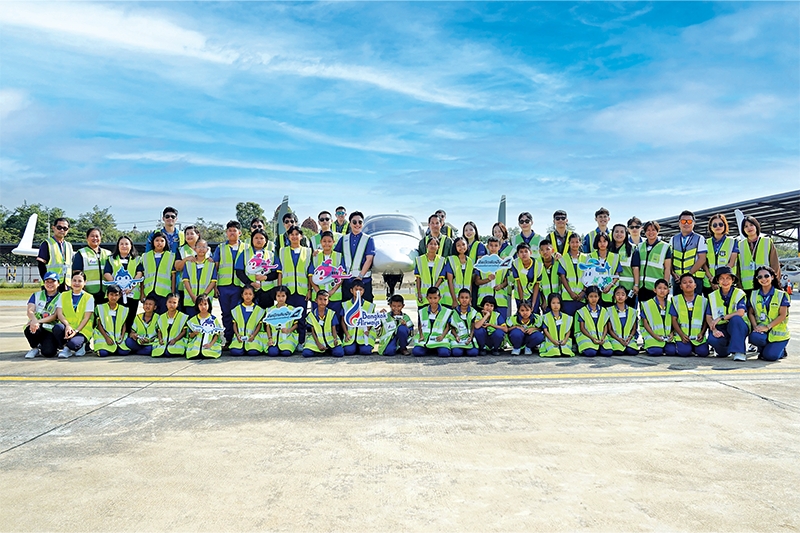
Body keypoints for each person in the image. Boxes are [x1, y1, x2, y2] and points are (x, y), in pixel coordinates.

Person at [214, 220, 248, 348]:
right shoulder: (220, 248)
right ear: (226, 232)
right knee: (226, 313)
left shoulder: (246, 248)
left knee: (238, 313)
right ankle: (228, 338)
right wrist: (215, 286)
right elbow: (215, 267)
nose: (232, 233)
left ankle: (238, 338)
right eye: (230, 230)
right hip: (224, 286)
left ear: (239, 233)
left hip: (240, 286)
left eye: (235, 230)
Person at [277, 225, 311, 344]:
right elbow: (280, 272)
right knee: (288, 317)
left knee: (301, 318)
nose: (294, 236)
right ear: (288, 236)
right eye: (292, 234)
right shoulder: (282, 251)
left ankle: (301, 341)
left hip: (302, 291)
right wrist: (279, 290)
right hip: (287, 292)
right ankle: (288, 341)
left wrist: (309, 290)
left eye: (297, 234)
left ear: (301, 236)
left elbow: (309, 273)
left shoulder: (308, 251)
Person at [706, 266, 749, 361]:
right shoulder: (712, 296)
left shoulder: (739, 293)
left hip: (738, 326)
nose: (725, 281)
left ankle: (740, 352)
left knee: (736, 319)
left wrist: (721, 318)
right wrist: (714, 330)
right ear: (717, 281)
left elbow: (740, 312)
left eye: (728, 278)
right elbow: (708, 317)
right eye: (721, 278)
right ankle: (725, 350)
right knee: (713, 341)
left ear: (733, 280)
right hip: (721, 328)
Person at [747, 266, 790, 361]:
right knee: (754, 336)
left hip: (778, 335)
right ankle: (765, 348)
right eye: (760, 277)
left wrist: (767, 327)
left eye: (766, 276)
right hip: (762, 331)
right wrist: (755, 327)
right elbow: (751, 313)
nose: (763, 279)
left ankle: (781, 350)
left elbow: (782, 315)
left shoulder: (781, 295)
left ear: (772, 277)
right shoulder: (753, 295)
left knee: (769, 357)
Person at [103, 235, 143, 331]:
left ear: (131, 246)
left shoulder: (137, 259)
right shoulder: (111, 259)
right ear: (118, 246)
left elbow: (139, 274)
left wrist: (130, 287)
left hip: (132, 294)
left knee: (130, 318)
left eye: (126, 244)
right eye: (121, 244)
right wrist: (118, 287)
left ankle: (126, 339)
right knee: (115, 318)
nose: (124, 246)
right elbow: (107, 273)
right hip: (116, 295)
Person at [335, 211, 376, 302]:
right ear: (350, 224)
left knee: (366, 309)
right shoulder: (343, 239)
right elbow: (334, 255)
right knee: (347, 309)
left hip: (364, 281)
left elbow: (369, 260)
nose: (357, 224)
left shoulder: (369, 239)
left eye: (360, 222)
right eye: (354, 222)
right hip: (347, 281)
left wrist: (360, 277)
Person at [737, 215, 781, 299]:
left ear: (756, 226)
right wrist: (739, 285)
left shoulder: (767, 242)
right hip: (747, 287)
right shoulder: (739, 245)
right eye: (746, 226)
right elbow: (738, 267)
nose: (749, 228)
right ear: (743, 229)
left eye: (751, 225)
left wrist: (775, 282)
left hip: (765, 285)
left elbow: (775, 264)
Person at [53, 271, 94, 358]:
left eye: (80, 281)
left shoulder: (89, 297)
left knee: (74, 344)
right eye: (74, 280)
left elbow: (86, 318)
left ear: (85, 283)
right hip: (68, 327)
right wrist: (67, 325)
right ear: (70, 281)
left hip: (82, 329)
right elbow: (59, 314)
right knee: (57, 328)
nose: (76, 283)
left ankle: (80, 345)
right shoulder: (63, 295)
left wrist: (76, 331)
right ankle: (65, 348)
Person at [669, 274, 709, 357]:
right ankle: (687, 347)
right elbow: (674, 320)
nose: (688, 284)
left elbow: (706, 319)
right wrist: (681, 335)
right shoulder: (676, 300)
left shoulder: (703, 301)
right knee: (684, 352)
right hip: (682, 336)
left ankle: (694, 348)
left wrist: (702, 333)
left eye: (690, 282)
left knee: (703, 352)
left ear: (695, 285)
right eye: (684, 282)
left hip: (697, 337)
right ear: (680, 286)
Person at [24, 271, 61, 358]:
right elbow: (30, 310)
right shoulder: (36, 295)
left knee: (48, 353)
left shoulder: (61, 297)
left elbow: (55, 315)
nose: (50, 284)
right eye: (47, 281)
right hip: (37, 327)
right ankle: (34, 348)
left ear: (58, 283)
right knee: (30, 329)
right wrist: (33, 320)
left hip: (50, 329)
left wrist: (37, 321)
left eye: (53, 281)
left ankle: (53, 345)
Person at [308, 230, 346, 317]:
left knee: (334, 320)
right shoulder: (315, 257)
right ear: (320, 242)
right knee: (317, 319)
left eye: (329, 241)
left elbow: (342, 275)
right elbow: (310, 275)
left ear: (333, 242)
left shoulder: (339, 256)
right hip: (318, 296)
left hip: (334, 296)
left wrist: (333, 291)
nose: (327, 244)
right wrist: (318, 291)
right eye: (324, 241)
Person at [235, 229, 276, 309]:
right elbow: (239, 272)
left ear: (266, 241)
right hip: (249, 292)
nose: (259, 240)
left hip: (266, 291)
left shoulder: (271, 255)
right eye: (256, 238)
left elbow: (276, 273)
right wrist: (250, 283)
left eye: (261, 238)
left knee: (266, 315)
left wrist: (265, 277)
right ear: (252, 240)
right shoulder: (244, 253)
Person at [670, 210, 707, 296]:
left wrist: (688, 275)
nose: (686, 224)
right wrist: (673, 274)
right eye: (683, 221)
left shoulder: (700, 238)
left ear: (694, 223)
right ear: (679, 223)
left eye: (689, 221)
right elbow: (670, 259)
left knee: (695, 305)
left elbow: (702, 259)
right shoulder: (673, 239)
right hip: (677, 280)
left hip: (694, 279)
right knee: (678, 305)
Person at [72, 227, 112, 305]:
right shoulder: (81, 253)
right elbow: (76, 273)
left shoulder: (108, 254)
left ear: (100, 238)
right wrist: (82, 290)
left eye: (97, 236)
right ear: (87, 238)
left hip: (106, 293)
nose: (95, 238)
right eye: (92, 236)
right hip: (88, 292)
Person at [702, 214, 739, 297]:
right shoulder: (705, 242)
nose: (718, 226)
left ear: (725, 226)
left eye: (720, 224)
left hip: (726, 283)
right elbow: (704, 263)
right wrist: (712, 279)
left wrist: (720, 280)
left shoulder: (733, 241)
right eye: (714, 225)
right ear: (710, 227)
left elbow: (732, 262)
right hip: (709, 282)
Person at [140, 232, 176, 314]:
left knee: (163, 316)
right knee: (150, 316)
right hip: (149, 292)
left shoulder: (171, 256)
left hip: (164, 293)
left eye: (162, 241)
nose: (159, 243)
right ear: (152, 242)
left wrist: (172, 294)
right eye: (157, 240)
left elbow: (173, 276)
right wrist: (142, 293)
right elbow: (142, 276)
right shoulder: (145, 256)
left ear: (166, 242)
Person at [474, 237, 510, 321]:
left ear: (499, 247)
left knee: (500, 327)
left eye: (496, 245)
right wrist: (488, 279)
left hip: (500, 301)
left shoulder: (504, 262)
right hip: (484, 301)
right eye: (491, 245)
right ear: (487, 247)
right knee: (484, 326)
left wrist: (501, 286)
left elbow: (507, 281)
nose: (493, 248)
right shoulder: (482, 262)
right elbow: (476, 281)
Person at [637, 220, 673, 302]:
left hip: (657, 288)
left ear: (657, 231)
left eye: (653, 230)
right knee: (643, 312)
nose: (651, 232)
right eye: (648, 230)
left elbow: (667, 268)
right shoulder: (639, 247)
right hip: (642, 287)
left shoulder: (665, 247)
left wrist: (665, 286)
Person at [640, 279, 676, 356]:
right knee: (656, 352)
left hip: (666, 338)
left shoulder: (670, 305)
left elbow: (674, 322)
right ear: (654, 290)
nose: (662, 290)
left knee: (671, 352)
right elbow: (645, 323)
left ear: (668, 291)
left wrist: (672, 333)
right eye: (659, 288)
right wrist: (654, 336)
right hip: (652, 336)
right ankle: (649, 347)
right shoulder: (648, 304)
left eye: (665, 288)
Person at [182, 240, 217, 318]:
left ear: (207, 249)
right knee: (191, 324)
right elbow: (185, 280)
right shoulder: (188, 263)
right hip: (190, 301)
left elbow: (213, 281)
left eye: (204, 247)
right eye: (199, 247)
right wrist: (192, 296)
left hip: (206, 302)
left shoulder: (211, 264)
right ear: (194, 249)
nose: (201, 249)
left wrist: (204, 295)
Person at [412, 287, 453, 357]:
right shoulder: (422, 311)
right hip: (425, 339)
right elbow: (420, 325)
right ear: (427, 298)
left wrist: (442, 336)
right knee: (416, 352)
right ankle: (430, 348)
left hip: (439, 339)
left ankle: (434, 349)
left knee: (444, 353)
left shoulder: (446, 311)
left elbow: (448, 327)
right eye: (430, 298)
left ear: (439, 298)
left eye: (435, 298)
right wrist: (421, 335)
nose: (433, 300)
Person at [303, 290, 344, 357]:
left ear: (328, 301)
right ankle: (322, 350)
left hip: (330, 340)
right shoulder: (311, 315)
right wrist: (318, 344)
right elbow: (312, 332)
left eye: (325, 300)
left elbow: (333, 329)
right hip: (317, 340)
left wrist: (335, 338)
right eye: (320, 299)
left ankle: (326, 350)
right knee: (306, 353)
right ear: (316, 300)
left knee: (339, 353)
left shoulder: (331, 313)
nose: (322, 302)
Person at [36, 217, 73, 291]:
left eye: (65, 228)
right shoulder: (47, 244)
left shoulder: (69, 245)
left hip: (66, 285)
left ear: (68, 230)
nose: (62, 230)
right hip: (51, 285)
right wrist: (47, 282)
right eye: (59, 227)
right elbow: (41, 265)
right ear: (53, 228)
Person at [92, 285, 130, 357]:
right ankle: (109, 349)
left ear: (120, 296)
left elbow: (123, 324)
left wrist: (122, 336)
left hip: (118, 338)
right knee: (102, 353)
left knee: (124, 352)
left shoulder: (123, 309)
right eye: (111, 295)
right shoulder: (100, 307)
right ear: (107, 295)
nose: (114, 297)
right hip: (104, 337)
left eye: (116, 295)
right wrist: (106, 338)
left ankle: (113, 349)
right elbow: (99, 325)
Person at [342, 280, 377, 355]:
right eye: (356, 290)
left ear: (363, 291)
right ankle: (355, 347)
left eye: (360, 290)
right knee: (348, 351)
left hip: (364, 335)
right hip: (351, 336)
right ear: (351, 291)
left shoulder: (369, 305)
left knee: (366, 351)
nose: (358, 292)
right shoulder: (346, 304)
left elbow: (371, 319)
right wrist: (346, 333)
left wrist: (368, 328)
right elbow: (343, 320)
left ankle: (360, 347)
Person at [576, 286, 612, 356]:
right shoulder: (582, 310)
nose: (593, 299)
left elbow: (605, 326)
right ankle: (594, 349)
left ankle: (598, 348)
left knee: (608, 352)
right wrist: (592, 338)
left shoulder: (603, 310)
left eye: (595, 296)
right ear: (587, 297)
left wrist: (603, 337)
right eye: (591, 296)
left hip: (601, 337)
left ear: (599, 297)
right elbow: (582, 328)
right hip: (587, 337)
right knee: (591, 353)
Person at [610, 224, 640, 308]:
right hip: (610, 288)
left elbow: (635, 268)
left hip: (628, 288)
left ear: (626, 234)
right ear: (612, 234)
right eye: (616, 232)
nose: (619, 234)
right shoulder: (608, 249)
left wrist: (636, 285)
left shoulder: (633, 249)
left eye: (621, 232)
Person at [230, 285, 266, 356]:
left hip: (253, 337)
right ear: (242, 295)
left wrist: (253, 335)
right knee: (235, 352)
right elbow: (235, 324)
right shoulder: (236, 309)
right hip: (239, 337)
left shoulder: (259, 309)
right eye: (245, 294)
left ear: (253, 295)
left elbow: (259, 324)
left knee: (253, 352)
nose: (248, 296)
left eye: (250, 294)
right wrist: (237, 335)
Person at [266, 286, 300, 357]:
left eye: (283, 296)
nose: (281, 298)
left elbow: (296, 324)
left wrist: (289, 330)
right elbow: (268, 326)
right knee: (272, 353)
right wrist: (270, 339)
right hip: (274, 339)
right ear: (275, 296)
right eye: (278, 296)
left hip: (288, 337)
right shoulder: (270, 310)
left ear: (286, 296)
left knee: (286, 353)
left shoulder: (292, 309)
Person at [414, 236, 448, 308]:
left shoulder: (442, 260)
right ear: (427, 246)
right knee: (423, 315)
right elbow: (418, 278)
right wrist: (419, 292)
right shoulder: (420, 259)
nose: (432, 246)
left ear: (438, 247)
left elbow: (441, 278)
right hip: (423, 295)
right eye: (431, 244)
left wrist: (433, 291)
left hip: (437, 295)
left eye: (435, 244)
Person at [589, 233, 622, 307]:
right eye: (600, 241)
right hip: (594, 293)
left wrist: (609, 286)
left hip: (609, 293)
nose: (602, 244)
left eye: (604, 241)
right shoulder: (590, 256)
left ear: (608, 242)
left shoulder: (615, 257)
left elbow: (617, 276)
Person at [151, 293, 188, 357]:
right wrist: (160, 339)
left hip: (177, 342)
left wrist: (175, 340)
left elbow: (184, 331)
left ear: (178, 304)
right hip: (164, 342)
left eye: (174, 303)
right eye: (169, 302)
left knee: (169, 353)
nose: (171, 305)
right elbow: (159, 330)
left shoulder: (182, 316)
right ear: (166, 303)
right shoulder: (161, 317)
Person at [444, 237, 475, 309]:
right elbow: (450, 281)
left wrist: (469, 299)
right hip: (453, 299)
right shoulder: (451, 260)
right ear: (455, 247)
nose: (461, 247)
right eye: (458, 245)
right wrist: (454, 300)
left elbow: (469, 282)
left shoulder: (470, 261)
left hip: (465, 300)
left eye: (463, 244)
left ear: (467, 245)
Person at [560, 233, 587, 317]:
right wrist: (571, 293)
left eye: (577, 242)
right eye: (572, 242)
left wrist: (583, 292)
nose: (574, 244)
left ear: (580, 243)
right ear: (568, 243)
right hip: (568, 297)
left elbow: (589, 276)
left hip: (582, 297)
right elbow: (562, 277)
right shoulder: (564, 258)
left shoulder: (586, 258)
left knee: (580, 322)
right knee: (568, 322)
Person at [607, 286, 639, 356]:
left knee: (632, 352)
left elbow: (634, 329)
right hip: (615, 338)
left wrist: (630, 337)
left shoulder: (632, 311)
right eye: (617, 294)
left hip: (628, 339)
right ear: (614, 297)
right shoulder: (609, 310)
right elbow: (609, 330)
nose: (620, 297)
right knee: (619, 352)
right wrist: (619, 339)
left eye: (623, 294)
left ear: (626, 297)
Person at [511, 242, 542, 312]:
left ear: (530, 252)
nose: (524, 254)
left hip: (533, 294)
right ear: (518, 255)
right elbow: (518, 283)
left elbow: (537, 285)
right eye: (521, 252)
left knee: (534, 313)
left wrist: (533, 304)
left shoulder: (538, 265)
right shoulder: (515, 264)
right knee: (522, 313)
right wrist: (522, 303)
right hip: (519, 295)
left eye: (526, 251)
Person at [448, 289, 479, 357]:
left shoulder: (473, 312)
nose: (464, 300)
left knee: (473, 353)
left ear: (470, 299)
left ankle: (466, 349)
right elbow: (451, 327)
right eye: (462, 297)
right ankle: (462, 350)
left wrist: (471, 337)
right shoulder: (453, 312)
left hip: (469, 338)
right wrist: (456, 336)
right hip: (458, 338)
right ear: (458, 299)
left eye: (466, 298)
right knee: (457, 353)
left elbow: (473, 326)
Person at [537, 238, 565, 313]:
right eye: (542, 250)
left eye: (547, 249)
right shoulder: (537, 265)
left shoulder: (558, 262)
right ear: (539, 252)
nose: (545, 252)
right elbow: (539, 286)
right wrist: (543, 301)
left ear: (552, 250)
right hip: (546, 302)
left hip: (559, 301)